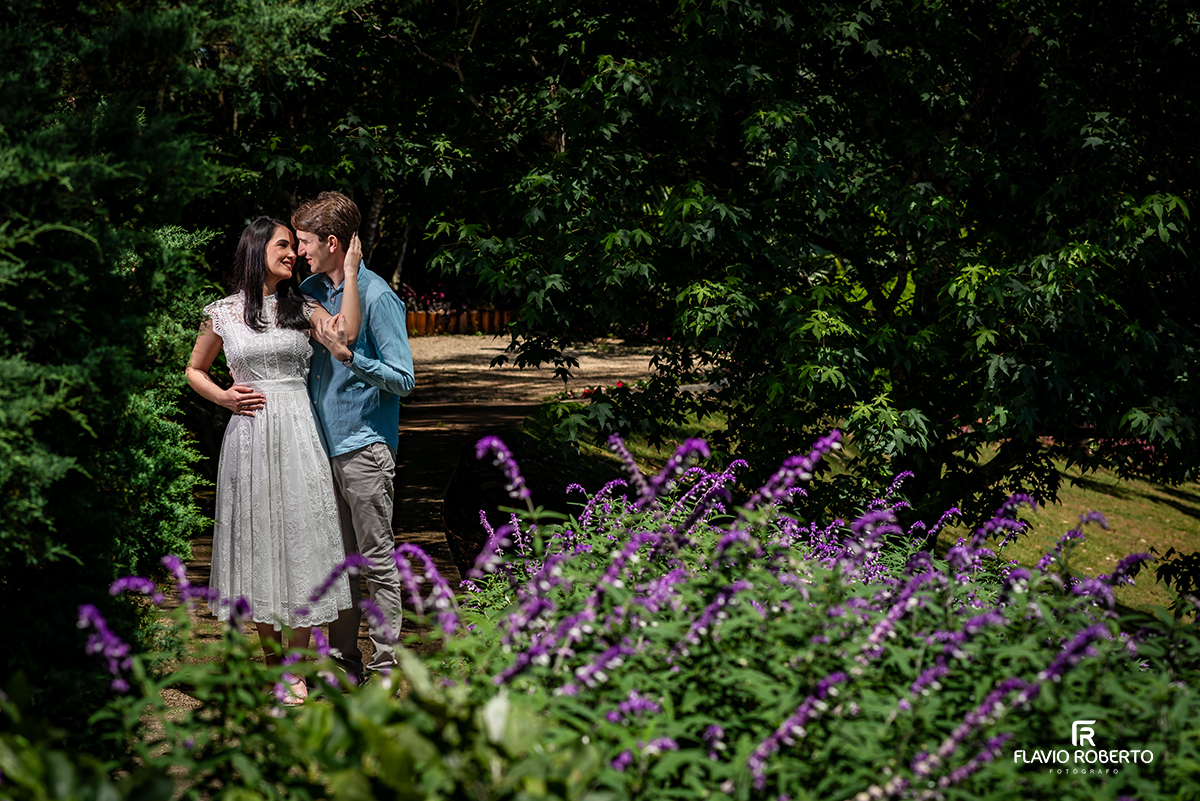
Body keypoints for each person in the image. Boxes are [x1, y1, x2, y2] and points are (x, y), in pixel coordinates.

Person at [185, 216, 360, 704]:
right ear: (257, 248)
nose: (293, 253)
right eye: (284, 245)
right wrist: (223, 397)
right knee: (261, 542)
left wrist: (350, 271)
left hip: (299, 431)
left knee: (301, 538)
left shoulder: (303, 307)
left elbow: (343, 336)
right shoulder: (221, 312)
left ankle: (299, 668)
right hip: (250, 435)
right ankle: (272, 667)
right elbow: (194, 370)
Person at [294, 191, 415, 680]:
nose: (300, 250)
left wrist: (350, 359)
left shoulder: (378, 296)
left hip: (364, 448)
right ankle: (345, 664)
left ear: (331, 241)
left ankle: (386, 673)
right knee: (338, 566)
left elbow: (403, 379)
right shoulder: (312, 290)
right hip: (318, 450)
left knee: (376, 561)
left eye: (305, 242)